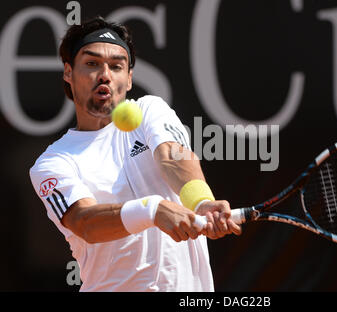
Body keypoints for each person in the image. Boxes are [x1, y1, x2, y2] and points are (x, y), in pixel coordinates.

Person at [29, 16, 241, 292]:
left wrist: (201, 202)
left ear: (128, 79)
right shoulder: (52, 163)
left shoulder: (150, 110)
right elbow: (86, 222)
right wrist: (151, 210)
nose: (105, 74)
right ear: (68, 73)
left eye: (116, 66)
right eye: (92, 63)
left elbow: (173, 157)